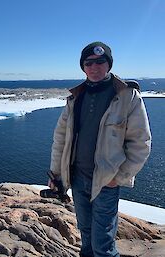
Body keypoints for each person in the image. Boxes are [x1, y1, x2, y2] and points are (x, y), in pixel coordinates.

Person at [49, 41, 151, 257]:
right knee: (86, 237)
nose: (94, 67)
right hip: (77, 178)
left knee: (102, 245)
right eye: (89, 63)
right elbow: (60, 140)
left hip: (106, 181)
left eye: (100, 62)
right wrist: (56, 174)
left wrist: (120, 176)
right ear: (83, 67)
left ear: (109, 64)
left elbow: (140, 142)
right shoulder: (76, 97)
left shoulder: (127, 96)